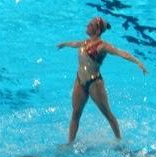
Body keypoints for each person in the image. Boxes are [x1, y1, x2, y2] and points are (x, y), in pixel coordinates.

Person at [57, 16, 148, 144]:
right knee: (75, 114)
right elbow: (74, 44)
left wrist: (138, 62)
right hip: (80, 81)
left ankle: (119, 141)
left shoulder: (102, 46)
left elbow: (121, 53)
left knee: (107, 114)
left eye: (91, 24)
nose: (87, 25)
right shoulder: (84, 43)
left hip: (94, 83)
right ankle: (69, 143)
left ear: (98, 30)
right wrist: (64, 44)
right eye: (88, 23)